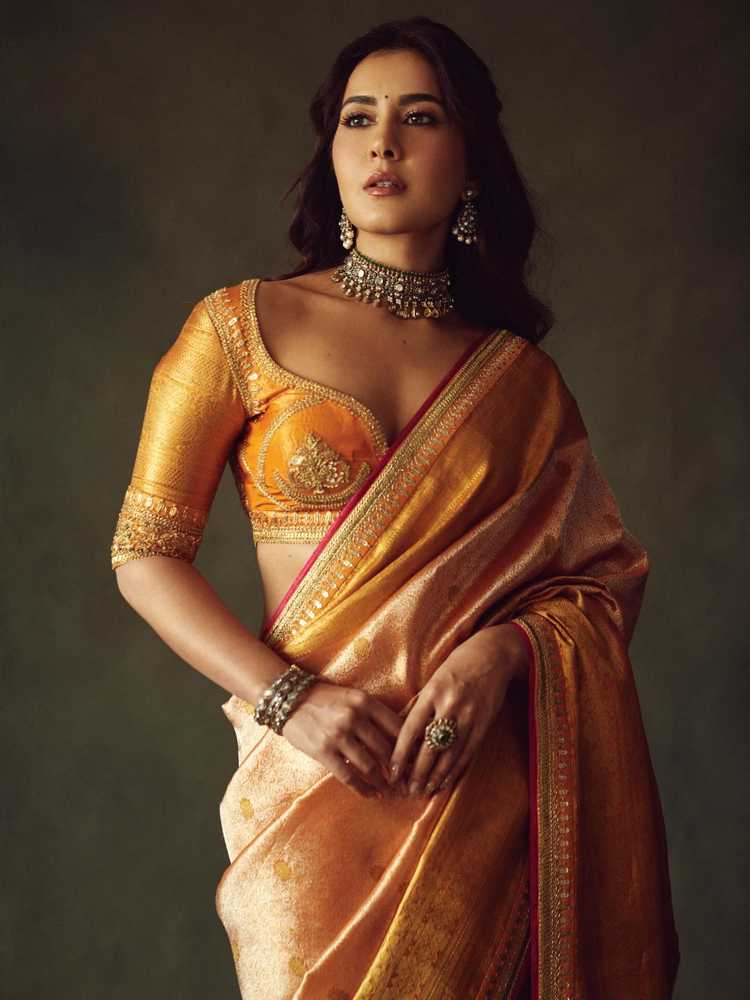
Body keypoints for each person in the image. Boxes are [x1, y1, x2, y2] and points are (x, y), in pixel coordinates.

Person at [110, 16, 680, 1000]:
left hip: (478, 799)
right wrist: (291, 700)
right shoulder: (239, 326)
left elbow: (602, 581)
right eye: (357, 118)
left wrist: (504, 653)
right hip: (308, 786)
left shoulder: (521, 382)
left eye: (419, 117)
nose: (383, 143)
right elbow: (145, 553)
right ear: (331, 150)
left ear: (470, 159)